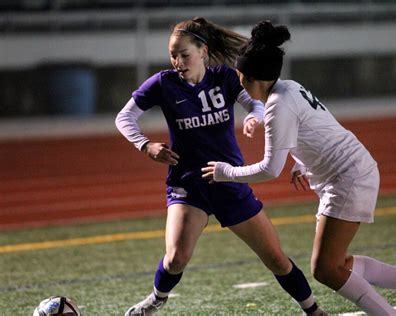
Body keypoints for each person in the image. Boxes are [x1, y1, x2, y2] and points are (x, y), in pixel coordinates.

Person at [202, 20, 396, 316]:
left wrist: (226, 172)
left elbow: (268, 169)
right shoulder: (288, 88)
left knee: (326, 268)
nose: (238, 80)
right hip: (349, 172)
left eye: (241, 75)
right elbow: (312, 129)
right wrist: (301, 161)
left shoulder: (279, 104)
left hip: (348, 177)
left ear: (255, 78)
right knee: (336, 263)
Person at [116, 17, 327, 316]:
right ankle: (156, 300)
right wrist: (145, 145)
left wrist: (255, 116)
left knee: (277, 259)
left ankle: (314, 311)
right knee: (176, 257)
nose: (177, 61)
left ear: (203, 51)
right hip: (188, 184)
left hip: (231, 182)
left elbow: (254, 103)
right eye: (172, 55)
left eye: (184, 54)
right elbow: (123, 118)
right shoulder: (163, 83)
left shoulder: (224, 78)